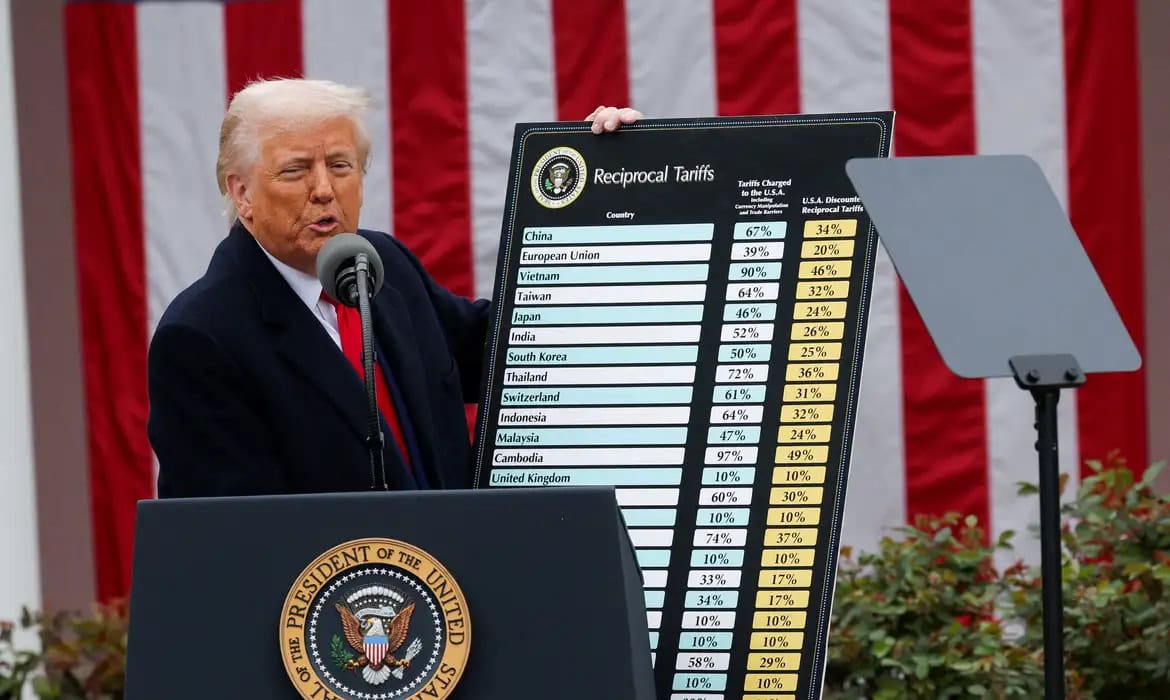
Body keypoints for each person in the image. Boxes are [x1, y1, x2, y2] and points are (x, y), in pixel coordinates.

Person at [147, 78, 640, 497]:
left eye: (340, 166)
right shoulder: (201, 338)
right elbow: (231, 541)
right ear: (242, 193)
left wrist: (605, 184)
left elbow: (510, 349)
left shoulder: (382, 264)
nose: (324, 189)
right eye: (296, 170)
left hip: (463, 570)